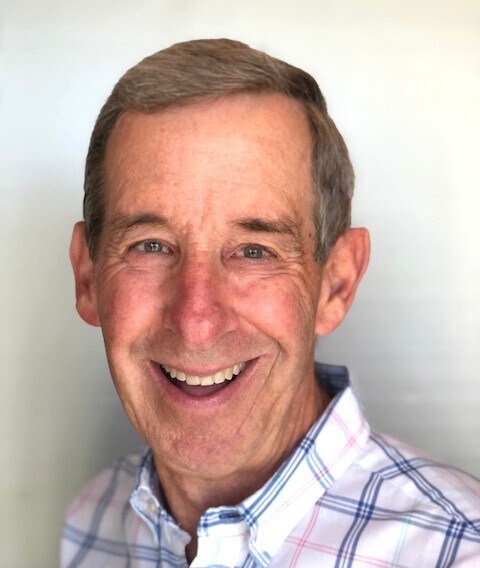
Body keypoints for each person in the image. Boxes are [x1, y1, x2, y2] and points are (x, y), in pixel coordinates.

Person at [61, 39, 480, 567]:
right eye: (151, 246)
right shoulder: (93, 521)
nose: (196, 321)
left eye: (254, 251)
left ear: (335, 284)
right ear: (87, 275)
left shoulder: (458, 551)